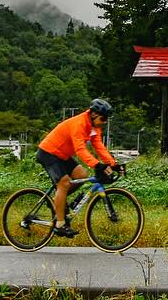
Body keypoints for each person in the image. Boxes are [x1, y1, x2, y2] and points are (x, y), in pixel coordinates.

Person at [36, 97, 120, 237]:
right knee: (63, 183)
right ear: (93, 114)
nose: (105, 122)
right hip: (48, 152)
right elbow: (80, 150)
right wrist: (97, 165)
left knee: (82, 175)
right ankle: (60, 224)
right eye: (103, 118)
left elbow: (99, 146)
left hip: (62, 155)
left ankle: (58, 203)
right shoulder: (79, 124)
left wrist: (112, 163)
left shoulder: (94, 127)